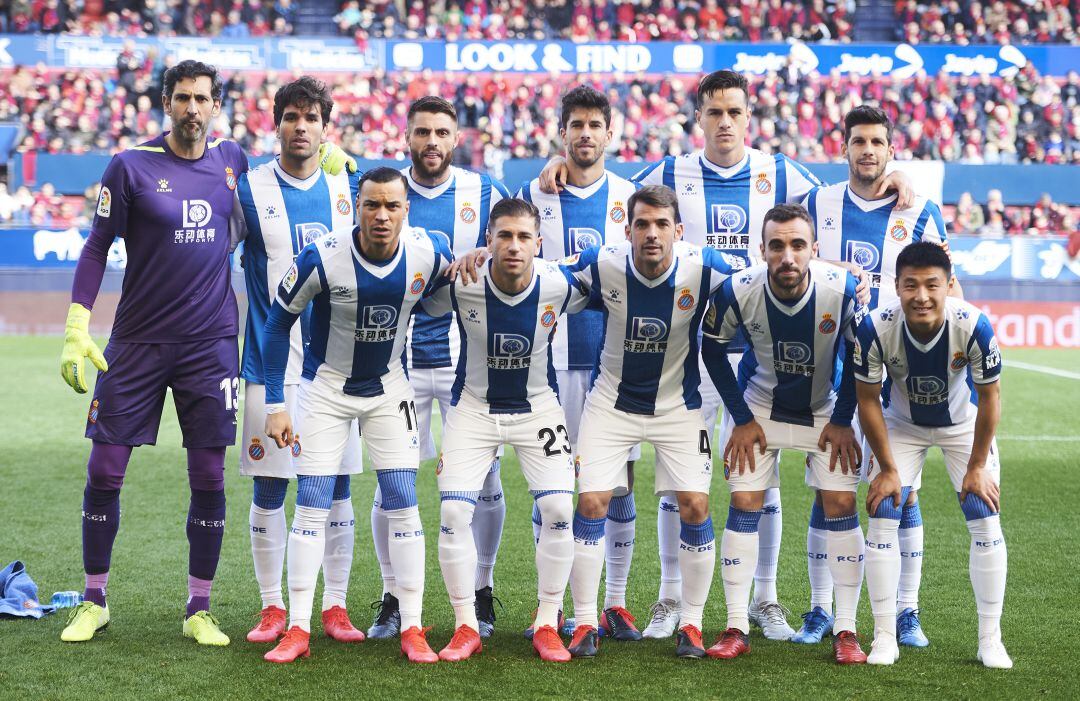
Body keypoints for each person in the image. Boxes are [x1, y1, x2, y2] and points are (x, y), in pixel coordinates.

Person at [538, 70, 893, 640]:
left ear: (748, 117)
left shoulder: (782, 174)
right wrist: (561, 167)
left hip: (743, 358)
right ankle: (669, 599)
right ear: (698, 117)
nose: (724, 122)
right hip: (676, 353)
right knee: (674, 489)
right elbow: (609, 184)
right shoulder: (665, 174)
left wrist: (893, 178)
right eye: (714, 112)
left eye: (734, 112)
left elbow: (836, 203)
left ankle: (766, 598)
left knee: (752, 483)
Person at [58, 60, 249, 646]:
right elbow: (96, 247)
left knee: (209, 475)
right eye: (183, 98)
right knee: (104, 469)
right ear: (167, 103)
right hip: (136, 344)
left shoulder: (232, 161)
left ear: (216, 106)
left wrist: (331, 159)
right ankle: (94, 600)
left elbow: (288, 178)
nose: (193, 109)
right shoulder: (130, 166)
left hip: (210, 345)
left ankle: (199, 607)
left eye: (203, 99)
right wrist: (77, 323)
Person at [260, 167, 452, 664]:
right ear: (356, 207)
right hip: (324, 391)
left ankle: (412, 626)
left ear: (407, 210)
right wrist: (276, 405)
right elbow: (276, 323)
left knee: (402, 499)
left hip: (389, 389)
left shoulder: (428, 254)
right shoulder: (321, 257)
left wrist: (473, 260)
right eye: (372, 205)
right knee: (312, 502)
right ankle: (298, 628)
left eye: (392, 205)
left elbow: (463, 286)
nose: (382, 215)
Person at [560, 185, 747, 659]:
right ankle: (585, 622)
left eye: (662, 224)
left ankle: (692, 623)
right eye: (642, 224)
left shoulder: (705, 268)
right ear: (628, 230)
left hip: (678, 407)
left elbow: (762, 282)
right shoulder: (602, 264)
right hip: (611, 404)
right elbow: (543, 279)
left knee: (695, 507)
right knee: (593, 503)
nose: (651, 233)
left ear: (678, 231)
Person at [797, 105, 959, 646]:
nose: (867, 150)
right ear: (844, 148)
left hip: (898, 380)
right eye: (858, 141)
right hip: (831, 372)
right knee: (830, 493)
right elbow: (785, 261)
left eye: (877, 142)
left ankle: (906, 612)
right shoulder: (815, 204)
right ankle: (821, 610)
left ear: (891, 150)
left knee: (902, 495)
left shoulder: (921, 212)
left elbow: (944, 291)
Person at [365, 96, 512, 640]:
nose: (432, 142)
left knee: (486, 479)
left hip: (466, 366)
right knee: (392, 481)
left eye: (442, 133)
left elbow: (520, 236)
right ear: (407, 136)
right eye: (422, 132)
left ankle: (482, 587)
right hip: (396, 365)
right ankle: (392, 596)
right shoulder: (384, 192)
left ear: (456, 139)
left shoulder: (485, 193)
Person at [231, 76, 366, 646]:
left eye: (312, 117)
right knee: (269, 488)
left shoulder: (345, 187)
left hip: (332, 368)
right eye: (291, 116)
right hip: (267, 363)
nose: (301, 126)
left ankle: (334, 605)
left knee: (335, 487)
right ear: (277, 123)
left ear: (325, 128)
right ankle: (271, 607)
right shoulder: (249, 189)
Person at [702, 204, 868, 664]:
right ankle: (736, 624)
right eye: (777, 246)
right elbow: (712, 352)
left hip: (825, 410)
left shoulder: (842, 291)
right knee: (744, 502)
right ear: (762, 250)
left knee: (841, 502)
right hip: (759, 408)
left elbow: (859, 359)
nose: (788, 256)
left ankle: (847, 629)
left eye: (798, 245)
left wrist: (842, 420)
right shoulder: (737, 291)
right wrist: (740, 417)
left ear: (815, 250)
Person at [425, 198, 585, 663]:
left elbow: (607, 273)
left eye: (523, 237)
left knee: (558, 507)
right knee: (454, 515)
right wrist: (449, 264)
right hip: (473, 409)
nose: (513, 246)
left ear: (539, 243)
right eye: (503, 236)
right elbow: (418, 291)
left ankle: (548, 622)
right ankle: (465, 625)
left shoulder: (559, 283)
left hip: (538, 409)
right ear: (488, 241)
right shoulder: (463, 284)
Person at [518, 85, 643, 641]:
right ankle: (551, 606)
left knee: (618, 485)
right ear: (561, 132)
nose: (586, 134)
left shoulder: (633, 199)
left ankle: (612, 603)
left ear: (610, 133)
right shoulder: (531, 196)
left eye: (596, 125)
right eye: (577, 125)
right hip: (545, 363)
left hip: (612, 365)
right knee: (551, 490)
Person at [854, 241, 1011, 669]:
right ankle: (885, 635)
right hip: (901, 426)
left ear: (948, 285)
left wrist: (977, 466)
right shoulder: (875, 328)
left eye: (931, 285)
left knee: (982, 509)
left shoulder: (974, 325)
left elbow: (991, 396)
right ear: (896, 287)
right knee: (884, 506)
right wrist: (887, 468)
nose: (921, 296)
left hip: (962, 425)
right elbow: (867, 400)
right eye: (911, 286)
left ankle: (989, 639)